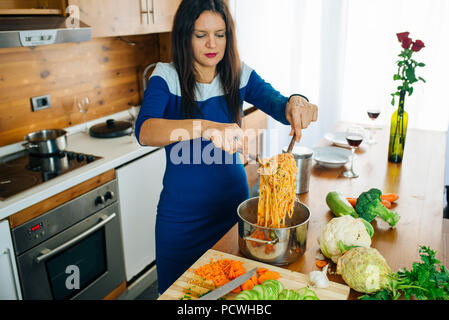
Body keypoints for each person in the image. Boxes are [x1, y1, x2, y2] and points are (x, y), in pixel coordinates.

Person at [134, 0, 318, 295]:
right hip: (182, 223)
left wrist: (297, 101)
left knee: (234, 295)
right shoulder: (165, 76)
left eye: (220, 34)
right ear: (185, 36)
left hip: (232, 217)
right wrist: (206, 127)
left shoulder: (238, 73)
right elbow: (145, 131)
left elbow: (280, 103)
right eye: (201, 34)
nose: (212, 43)